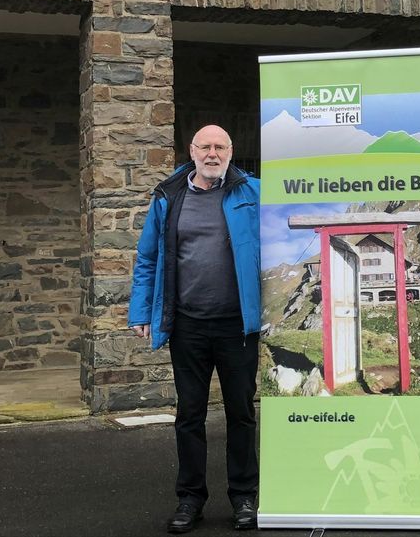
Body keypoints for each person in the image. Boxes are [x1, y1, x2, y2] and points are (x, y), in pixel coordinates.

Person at [128, 125, 262, 534]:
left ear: (231, 151)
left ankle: (243, 497)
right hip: (187, 326)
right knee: (189, 414)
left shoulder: (254, 192)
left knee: (241, 413)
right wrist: (141, 313)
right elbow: (147, 258)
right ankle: (190, 499)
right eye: (205, 146)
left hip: (238, 326)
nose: (212, 152)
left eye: (220, 146)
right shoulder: (168, 197)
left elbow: (281, 237)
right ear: (192, 151)